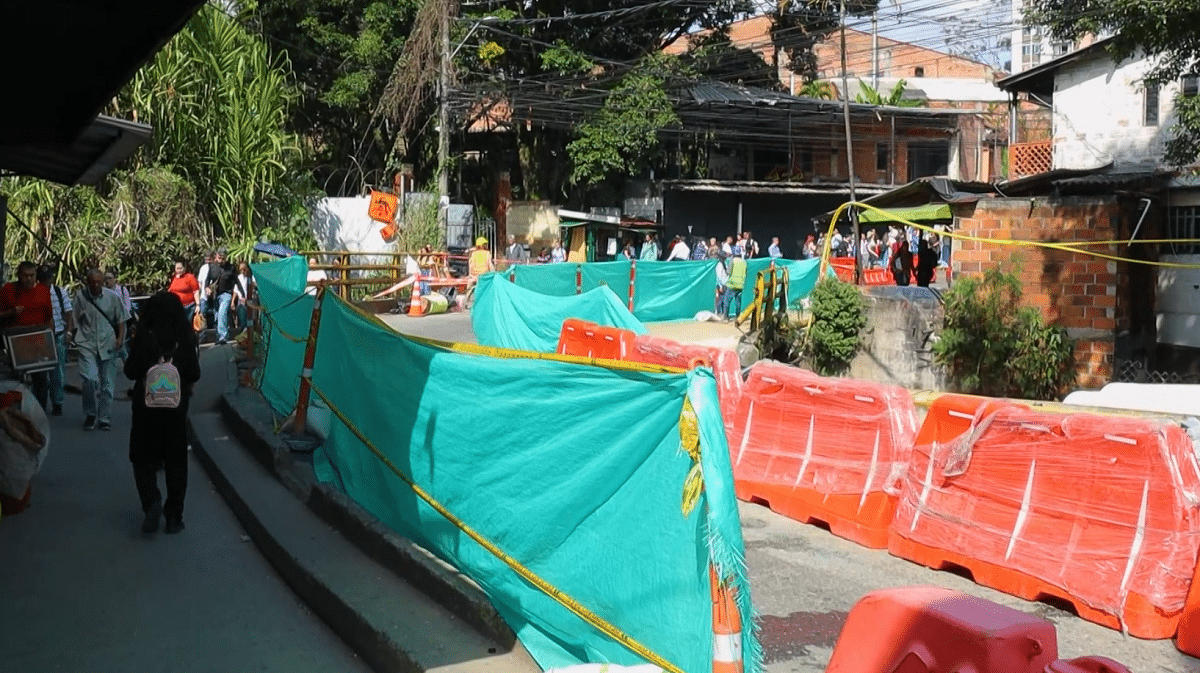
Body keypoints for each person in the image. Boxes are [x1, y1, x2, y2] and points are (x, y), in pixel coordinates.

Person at [125, 292, 201, 535]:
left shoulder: (145, 336)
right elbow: (194, 373)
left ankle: (152, 503)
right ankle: (174, 517)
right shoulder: (185, 337)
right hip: (176, 410)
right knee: (176, 462)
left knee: (142, 459)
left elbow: (131, 370)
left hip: (145, 409)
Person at [73, 268, 129, 431]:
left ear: (103, 282)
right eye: (93, 282)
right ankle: (90, 413)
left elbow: (121, 320)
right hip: (87, 343)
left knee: (107, 385)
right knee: (90, 380)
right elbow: (74, 317)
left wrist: (119, 339)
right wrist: (70, 333)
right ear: (88, 282)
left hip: (107, 343)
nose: (96, 285)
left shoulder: (112, 297)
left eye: (99, 282)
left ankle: (104, 417)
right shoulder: (80, 296)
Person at [0, 261, 54, 409]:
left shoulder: (43, 291)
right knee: (17, 381)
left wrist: (52, 341)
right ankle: (18, 412)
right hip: (15, 343)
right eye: (25, 276)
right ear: (19, 275)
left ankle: (40, 412)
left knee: (41, 380)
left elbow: (49, 318)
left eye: (31, 275)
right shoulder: (8, 290)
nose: (28, 279)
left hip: (38, 342)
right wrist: (11, 313)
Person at [38, 265, 73, 416]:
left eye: (48, 278)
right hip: (40, 337)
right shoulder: (34, 293)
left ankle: (57, 402)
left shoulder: (59, 292)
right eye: (43, 279)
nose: (46, 281)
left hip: (58, 335)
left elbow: (68, 313)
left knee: (57, 373)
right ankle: (40, 404)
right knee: (39, 373)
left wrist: (69, 332)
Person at [207, 249, 236, 344]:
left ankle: (223, 336)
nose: (221, 260)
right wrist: (207, 288)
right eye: (219, 258)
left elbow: (237, 281)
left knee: (222, 313)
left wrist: (242, 295)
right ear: (216, 257)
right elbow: (208, 280)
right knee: (217, 316)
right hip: (216, 295)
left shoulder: (230, 267)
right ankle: (219, 336)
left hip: (226, 294)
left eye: (223, 258)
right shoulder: (212, 267)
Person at [232, 262, 256, 331]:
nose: (243, 271)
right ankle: (243, 332)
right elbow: (235, 291)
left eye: (244, 269)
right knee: (242, 317)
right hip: (241, 300)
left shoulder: (252, 277)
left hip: (250, 300)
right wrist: (233, 302)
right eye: (241, 270)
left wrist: (248, 298)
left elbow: (253, 288)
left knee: (251, 319)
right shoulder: (239, 277)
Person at [726, 247, 747, 319]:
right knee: (738, 302)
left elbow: (728, 271)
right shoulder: (744, 262)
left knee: (727, 301)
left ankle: (726, 317)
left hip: (732, 284)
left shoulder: (733, 261)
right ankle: (738, 317)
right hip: (741, 284)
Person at [714, 250, 730, 317]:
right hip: (721, 285)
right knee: (719, 300)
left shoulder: (725, 264)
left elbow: (726, 274)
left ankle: (724, 313)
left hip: (725, 285)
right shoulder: (719, 265)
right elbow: (719, 276)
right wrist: (720, 286)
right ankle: (718, 313)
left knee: (724, 300)